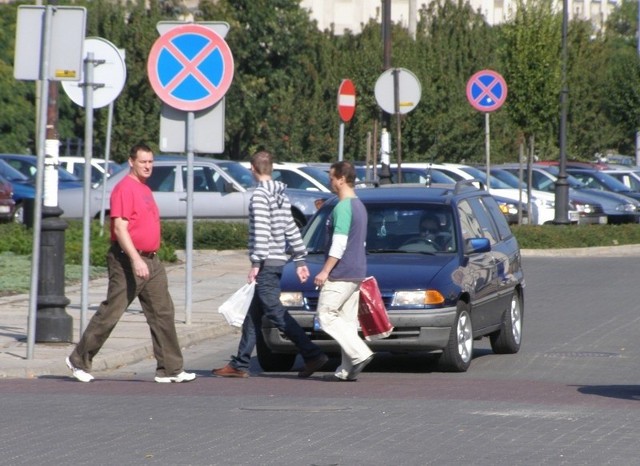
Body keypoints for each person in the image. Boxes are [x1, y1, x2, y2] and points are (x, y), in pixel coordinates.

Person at [65, 143, 196, 384]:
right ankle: (79, 360)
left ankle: (170, 369)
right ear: (131, 162)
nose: (148, 166)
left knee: (163, 313)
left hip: (152, 261)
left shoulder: (144, 188)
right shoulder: (124, 188)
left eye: (150, 162)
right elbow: (119, 227)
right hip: (128, 260)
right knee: (112, 312)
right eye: (143, 161)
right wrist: (136, 259)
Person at [212, 150, 328, 378]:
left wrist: (256, 263)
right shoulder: (281, 195)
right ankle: (240, 363)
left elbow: (262, 231)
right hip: (278, 261)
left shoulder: (259, 197)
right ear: (271, 169)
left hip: (266, 263)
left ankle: (312, 354)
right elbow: (291, 228)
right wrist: (300, 259)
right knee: (253, 314)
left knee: (275, 312)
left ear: (252, 170)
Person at [314, 161, 374, 382]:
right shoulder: (359, 205)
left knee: (326, 315)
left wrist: (325, 271)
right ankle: (346, 370)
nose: (330, 182)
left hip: (341, 272)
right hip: (357, 271)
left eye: (331, 177)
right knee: (347, 321)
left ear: (341, 178)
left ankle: (360, 353)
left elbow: (339, 244)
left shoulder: (343, 207)